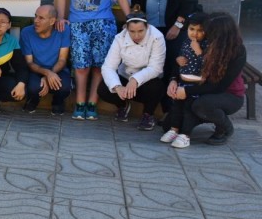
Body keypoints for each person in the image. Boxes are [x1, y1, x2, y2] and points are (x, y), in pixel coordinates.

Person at [55, 0, 131, 121]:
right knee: (81, 66)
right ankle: (80, 103)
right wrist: (60, 17)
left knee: (100, 66)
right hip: (78, 23)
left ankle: (92, 103)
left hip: (104, 23)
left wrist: (130, 20)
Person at [162, 13, 246, 148]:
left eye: (209, 31)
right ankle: (197, 119)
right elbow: (184, 63)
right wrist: (173, 80)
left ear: (221, 34)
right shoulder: (202, 42)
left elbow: (219, 86)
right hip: (201, 88)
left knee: (201, 105)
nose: (204, 33)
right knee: (168, 126)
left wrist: (187, 90)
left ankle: (224, 127)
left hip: (228, 95)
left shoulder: (237, 51)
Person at [97, 11, 166, 130]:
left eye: (140, 31)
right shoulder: (120, 38)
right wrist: (117, 87)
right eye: (132, 31)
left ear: (147, 27)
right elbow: (108, 67)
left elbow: (156, 68)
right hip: (125, 75)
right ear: (126, 29)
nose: (136, 36)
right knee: (103, 89)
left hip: (147, 80)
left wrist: (135, 80)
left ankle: (148, 115)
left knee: (157, 87)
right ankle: (122, 105)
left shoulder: (157, 37)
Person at [160, 12, 208, 144]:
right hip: (182, 82)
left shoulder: (206, 45)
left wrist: (198, 51)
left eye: (200, 30)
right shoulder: (185, 42)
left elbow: (209, 65)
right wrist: (178, 60)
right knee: (176, 107)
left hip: (196, 85)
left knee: (188, 109)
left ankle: (185, 135)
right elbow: (181, 59)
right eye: (192, 29)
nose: (194, 33)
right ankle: (174, 130)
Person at [19, 5, 72, 116]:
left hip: (58, 68)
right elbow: (29, 62)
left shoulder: (63, 30)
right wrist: (47, 74)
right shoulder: (27, 32)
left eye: (41, 18)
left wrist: (49, 75)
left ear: (52, 21)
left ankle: (58, 102)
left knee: (64, 87)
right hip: (37, 69)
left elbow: (62, 59)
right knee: (34, 87)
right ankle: (33, 100)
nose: (36, 21)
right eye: (35, 16)